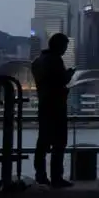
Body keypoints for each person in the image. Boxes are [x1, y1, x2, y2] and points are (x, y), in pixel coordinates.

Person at [31, 33, 75, 188]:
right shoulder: (55, 60)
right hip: (56, 106)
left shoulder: (37, 61)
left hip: (44, 105)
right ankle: (56, 177)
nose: (65, 49)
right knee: (59, 143)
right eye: (65, 46)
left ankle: (40, 175)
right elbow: (60, 80)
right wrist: (69, 75)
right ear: (59, 46)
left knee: (42, 142)